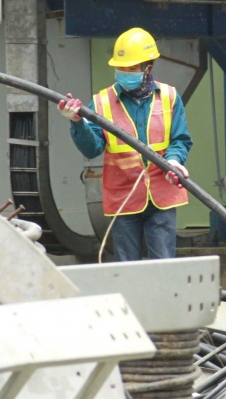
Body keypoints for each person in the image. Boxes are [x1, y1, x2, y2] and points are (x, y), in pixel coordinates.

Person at [58, 28, 193, 260]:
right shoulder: (101, 102)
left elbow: (180, 140)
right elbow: (93, 149)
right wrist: (77, 122)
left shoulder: (169, 97)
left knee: (164, 264)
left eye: (131, 69)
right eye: (121, 68)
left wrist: (173, 161)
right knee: (127, 267)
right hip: (124, 196)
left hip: (162, 193)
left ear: (148, 68)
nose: (125, 73)